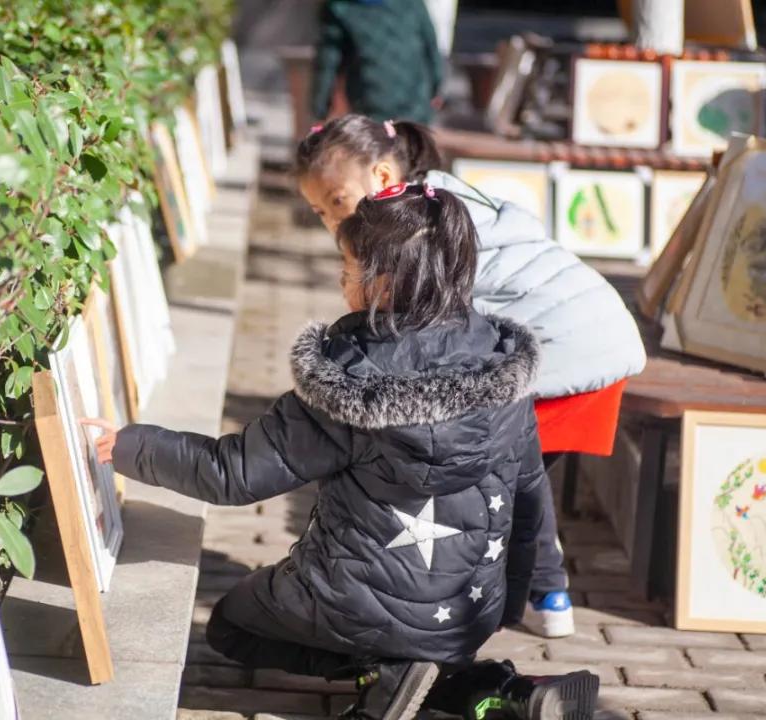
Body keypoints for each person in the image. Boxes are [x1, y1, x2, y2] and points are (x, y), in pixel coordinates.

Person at [83, 184, 599, 720]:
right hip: (468, 612)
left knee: (231, 626)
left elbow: (232, 473)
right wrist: (508, 603)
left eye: (349, 269)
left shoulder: (350, 379)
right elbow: (531, 499)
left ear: (387, 282)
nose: (341, 279)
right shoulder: (503, 366)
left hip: (351, 602)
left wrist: (129, 445)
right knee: (421, 644)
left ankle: (391, 680)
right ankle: (490, 690)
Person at [295, 114, 648, 639]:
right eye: (320, 211)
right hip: (597, 338)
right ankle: (542, 594)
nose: (331, 221)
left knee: (501, 470)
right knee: (517, 471)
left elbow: (426, 337)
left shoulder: (417, 230)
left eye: (339, 201)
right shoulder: (438, 201)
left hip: (566, 352)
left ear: (384, 174)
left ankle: (524, 594)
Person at [312, 0, 443, 125]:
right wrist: (437, 86)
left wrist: (320, 109)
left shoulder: (340, 8)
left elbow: (328, 62)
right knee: (410, 144)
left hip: (371, 102)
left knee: (379, 144)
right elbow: (430, 43)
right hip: (416, 99)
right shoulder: (411, 3)